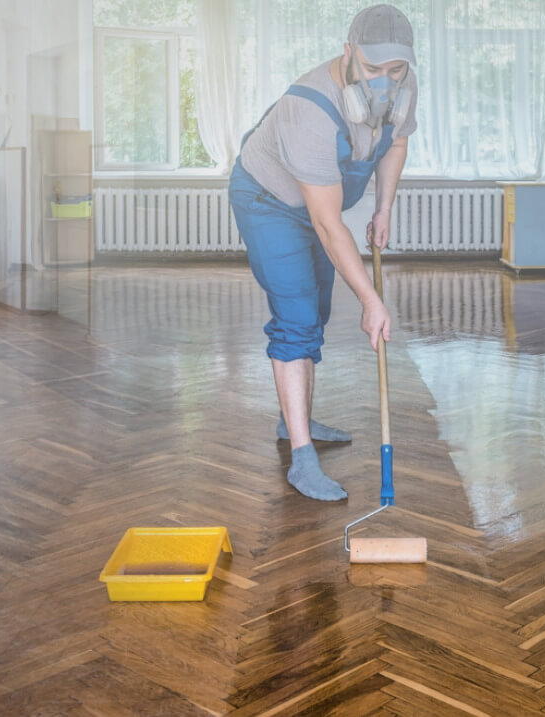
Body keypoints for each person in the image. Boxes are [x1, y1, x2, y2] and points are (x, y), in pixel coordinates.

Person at [227, 4, 417, 501]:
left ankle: (295, 421)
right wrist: (372, 299)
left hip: (314, 204)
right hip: (268, 200)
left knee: (319, 309)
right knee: (296, 315)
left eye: (394, 70)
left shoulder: (403, 86)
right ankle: (302, 457)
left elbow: (395, 144)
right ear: (348, 52)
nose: (385, 81)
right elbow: (329, 225)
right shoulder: (310, 108)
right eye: (373, 69)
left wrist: (384, 209)